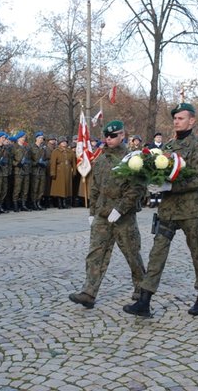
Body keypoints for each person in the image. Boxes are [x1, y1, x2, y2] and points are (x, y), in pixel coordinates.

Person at [123, 102, 198, 318]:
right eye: (175, 118)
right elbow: (158, 170)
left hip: (190, 211)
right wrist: (153, 183)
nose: (176, 121)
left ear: (192, 121)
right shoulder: (168, 147)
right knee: (157, 254)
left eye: (180, 118)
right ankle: (144, 301)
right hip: (168, 211)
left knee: (197, 253)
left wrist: (170, 185)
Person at [69, 120, 147, 309]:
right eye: (106, 136)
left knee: (132, 254)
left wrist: (120, 209)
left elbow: (136, 188)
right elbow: (94, 187)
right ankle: (89, 292)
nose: (109, 139)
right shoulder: (101, 159)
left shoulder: (132, 159)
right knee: (95, 254)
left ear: (122, 135)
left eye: (113, 135)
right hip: (103, 215)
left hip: (123, 216)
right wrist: (92, 212)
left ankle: (142, 289)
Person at [49, 136, 75, 209]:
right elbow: (53, 163)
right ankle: (60, 203)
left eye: (65, 142)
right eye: (62, 142)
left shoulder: (70, 152)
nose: (64, 143)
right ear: (59, 143)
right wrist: (53, 173)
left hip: (68, 171)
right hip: (59, 171)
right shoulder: (55, 151)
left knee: (67, 187)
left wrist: (74, 172)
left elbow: (74, 163)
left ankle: (65, 203)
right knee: (59, 188)